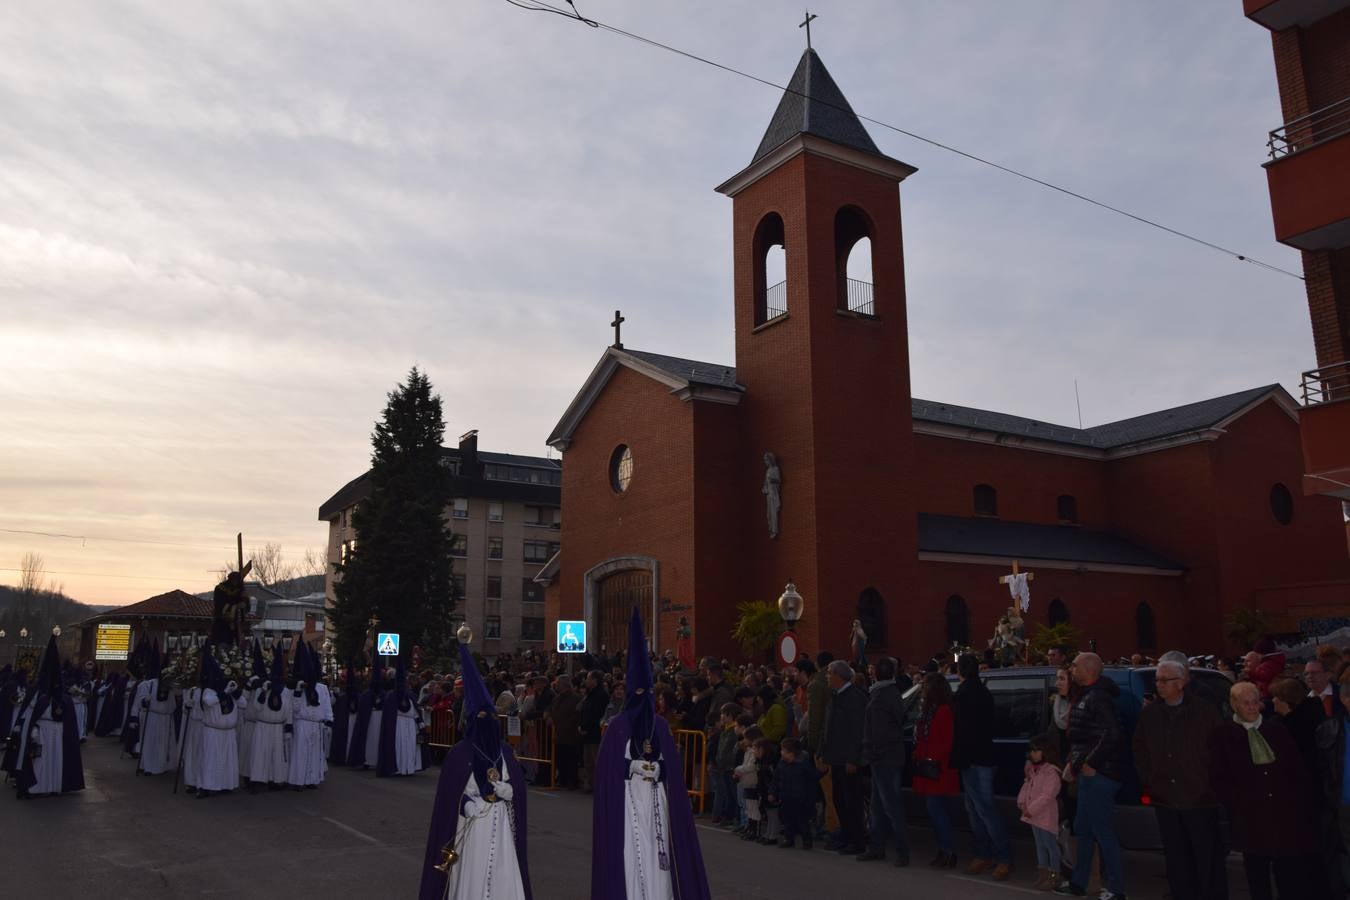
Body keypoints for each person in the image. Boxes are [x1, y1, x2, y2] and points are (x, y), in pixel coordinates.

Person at [590, 606, 711, 900]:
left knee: (660, 856)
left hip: (657, 800)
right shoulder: (618, 727)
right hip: (628, 801)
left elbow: (671, 764)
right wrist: (628, 767)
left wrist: (660, 769)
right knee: (633, 852)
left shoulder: (660, 725)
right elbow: (606, 773)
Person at [418, 633, 532, 900]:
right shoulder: (460, 753)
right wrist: (466, 804)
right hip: (472, 825)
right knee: (474, 871)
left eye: (490, 716)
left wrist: (510, 790)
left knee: (502, 868)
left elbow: (518, 785)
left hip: (501, 822)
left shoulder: (504, 751)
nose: (486, 721)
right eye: (480, 717)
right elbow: (449, 796)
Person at [1211, 680, 1320, 900]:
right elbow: (1218, 777)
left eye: (1254, 702)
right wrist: (1237, 803)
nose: (1251, 707)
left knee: (1288, 875)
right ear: (1234, 705)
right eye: (1245, 703)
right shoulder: (1224, 735)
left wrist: (1296, 804)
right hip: (1250, 818)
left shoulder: (1276, 729)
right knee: (1257, 874)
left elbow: (1297, 770)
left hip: (1283, 815)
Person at [1132, 658, 1226, 900]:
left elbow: (1220, 750)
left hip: (1200, 799)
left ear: (1182, 682)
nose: (1159, 685)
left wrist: (1208, 782)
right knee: (1176, 857)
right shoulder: (1151, 714)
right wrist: (1151, 779)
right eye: (1157, 681)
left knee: (1206, 857)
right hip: (1166, 799)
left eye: (1165, 680)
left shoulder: (1205, 712)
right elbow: (1140, 750)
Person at [1055, 652, 1127, 899]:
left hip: (1101, 775)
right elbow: (1083, 737)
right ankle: (1079, 882)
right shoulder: (1085, 695)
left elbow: (1112, 734)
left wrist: (1090, 763)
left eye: (1075, 666)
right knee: (1083, 830)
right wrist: (1074, 764)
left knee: (1103, 832)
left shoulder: (1099, 697)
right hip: (1087, 774)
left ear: (1089, 669)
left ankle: (1117, 890)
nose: (1071, 669)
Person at [952, 653, 1012, 880]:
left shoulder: (965, 695)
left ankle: (1000, 856)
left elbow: (962, 732)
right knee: (978, 809)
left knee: (983, 810)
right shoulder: (983, 691)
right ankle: (986, 853)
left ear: (960, 671)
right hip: (982, 757)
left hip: (974, 759)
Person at [12, 635, 84, 799]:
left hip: (58, 732)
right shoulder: (37, 694)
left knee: (56, 759)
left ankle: (54, 784)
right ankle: (35, 787)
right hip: (40, 731)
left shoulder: (63, 698)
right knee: (39, 760)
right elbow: (30, 712)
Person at [857, 655, 909, 866]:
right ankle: (878, 846)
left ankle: (901, 851)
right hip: (890, 754)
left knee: (890, 805)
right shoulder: (892, 693)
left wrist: (869, 754)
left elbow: (877, 732)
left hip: (883, 757)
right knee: (879, 805)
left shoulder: (879, 697)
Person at [911, 671, 960, 868]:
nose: (922, 690)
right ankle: (944, 849)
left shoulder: (943, 711)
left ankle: (948, 851)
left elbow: (944, 742)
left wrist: (928, 756)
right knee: (935, 812)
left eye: (925, 687)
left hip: (938, 769)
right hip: (931, 767)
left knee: (937, 811)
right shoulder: (929, 710)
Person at [818, 659, 866, 855]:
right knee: (839, 799)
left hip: (848, 760)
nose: (827, 676)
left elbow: (857, 731)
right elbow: (828, 727)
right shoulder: (836, 696)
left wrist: (853, 759)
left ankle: (857, 840)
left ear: (839, 676)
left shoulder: (854, 698)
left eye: (829, 673)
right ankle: (846, 836)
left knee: (851, 801)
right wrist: (823, 752)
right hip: (836, 758)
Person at [1314, 675, 1350, 897]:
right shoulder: (1332, 729)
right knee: (1345, 851)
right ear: (1345, 699)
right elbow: (1323, 768)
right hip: (1343, 803)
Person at [1018, 733, 1063, 891]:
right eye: (1032, 751)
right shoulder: (1033, 771)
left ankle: (1054, 876)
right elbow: (1026, 787)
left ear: (1046, 752)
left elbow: (1047, 796)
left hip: (1045, 817)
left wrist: (1031, 809)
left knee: (1050, 845)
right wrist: (1022, 803)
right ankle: (1042, 874)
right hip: (1033, 816)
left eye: (1036, 751)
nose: (1033, 754)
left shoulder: (1051, 773)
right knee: (1039, 845)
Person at [194, 648, 240, 799]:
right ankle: (206, 786)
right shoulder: (209, 691)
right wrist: (224, 692)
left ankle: (226, 784)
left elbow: (244, 704)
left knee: (227, 759)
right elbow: (208, 702)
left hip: (228, 732)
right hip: (212, 731)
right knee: (210, 759)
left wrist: (235, 692)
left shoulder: (229, 690)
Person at [246, 647, 291, 792]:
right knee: (260, 753)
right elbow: (257, 707)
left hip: (277, 727)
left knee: (276, 755)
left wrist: (288, 729)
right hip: (263, 725)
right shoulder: (262, 688)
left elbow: (288, 711)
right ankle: (257, 780)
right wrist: (263, 692)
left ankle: (275, 779)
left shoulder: (285, 691)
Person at [290, 643, 333, 788]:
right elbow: (294, 708)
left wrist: (329, 721)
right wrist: (298, 692)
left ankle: (312, 779)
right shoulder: (299, 687)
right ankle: (299, 780)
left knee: (315, 753)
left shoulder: (322, 688)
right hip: (302, 723)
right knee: (300, 753)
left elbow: (326, 705)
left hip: (316, 724)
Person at [770, 736, 821, 849]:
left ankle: (807, 840)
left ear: (791, 753)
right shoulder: (782, 764)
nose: (781, 752)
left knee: (802, 820)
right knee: (787, 819)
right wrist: (772, 792)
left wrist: (822, 772)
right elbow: (775, 779)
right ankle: (789, 839)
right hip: (785, 796)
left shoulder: (803, 764)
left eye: (783, 750)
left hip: (800, 798)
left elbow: (813, 776)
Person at [547, 675, 581, 789]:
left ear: (564, 685)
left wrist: (563, 727)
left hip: (570, 734)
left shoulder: (576, 698)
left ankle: (572, 781)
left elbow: (575, 717)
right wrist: (549, 716)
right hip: (558, 734)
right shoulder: (556, 698)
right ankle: (562, 779)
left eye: (558, 684)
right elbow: (551, 709)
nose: (556, 686)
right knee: (560, 758)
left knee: (571, 759)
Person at [579, 670, 608, 793]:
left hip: (595, 732)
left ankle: (599, 784)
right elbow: (584, 711)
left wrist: (586, 727)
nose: (586, 681)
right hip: (587, 732)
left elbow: (596, 714)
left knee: (596, 760)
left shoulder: (601, 695)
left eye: (588, 678)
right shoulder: (589, 694)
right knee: (588, 761)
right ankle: (589, 783)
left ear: (595, 680)